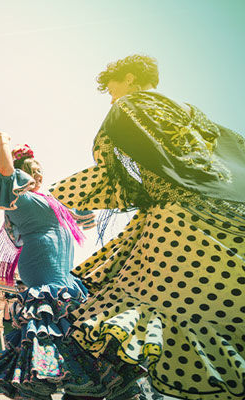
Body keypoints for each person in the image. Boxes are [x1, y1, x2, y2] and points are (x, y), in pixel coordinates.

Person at [51, 54, 245, 399]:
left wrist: (58, 194)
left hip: (178, 221)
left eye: (112, 90)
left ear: (128, 79)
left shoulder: (128, 107)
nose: (112, 98)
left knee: (149, 311)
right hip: (230, 216)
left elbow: (117, 173)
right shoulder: (194, 114)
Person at [0, 134, 143, 399]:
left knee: (72, 330)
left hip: (64, 274)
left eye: (40, 169)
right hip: (43, 270)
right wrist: (4, 142)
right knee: (52, 327)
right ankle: (45, 381)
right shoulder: (20, 199)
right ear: (23, 174)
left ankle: (78, 386)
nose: (39, 174)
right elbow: (5, 173)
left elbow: (86, 213)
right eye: (33, 170)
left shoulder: (52, 200)